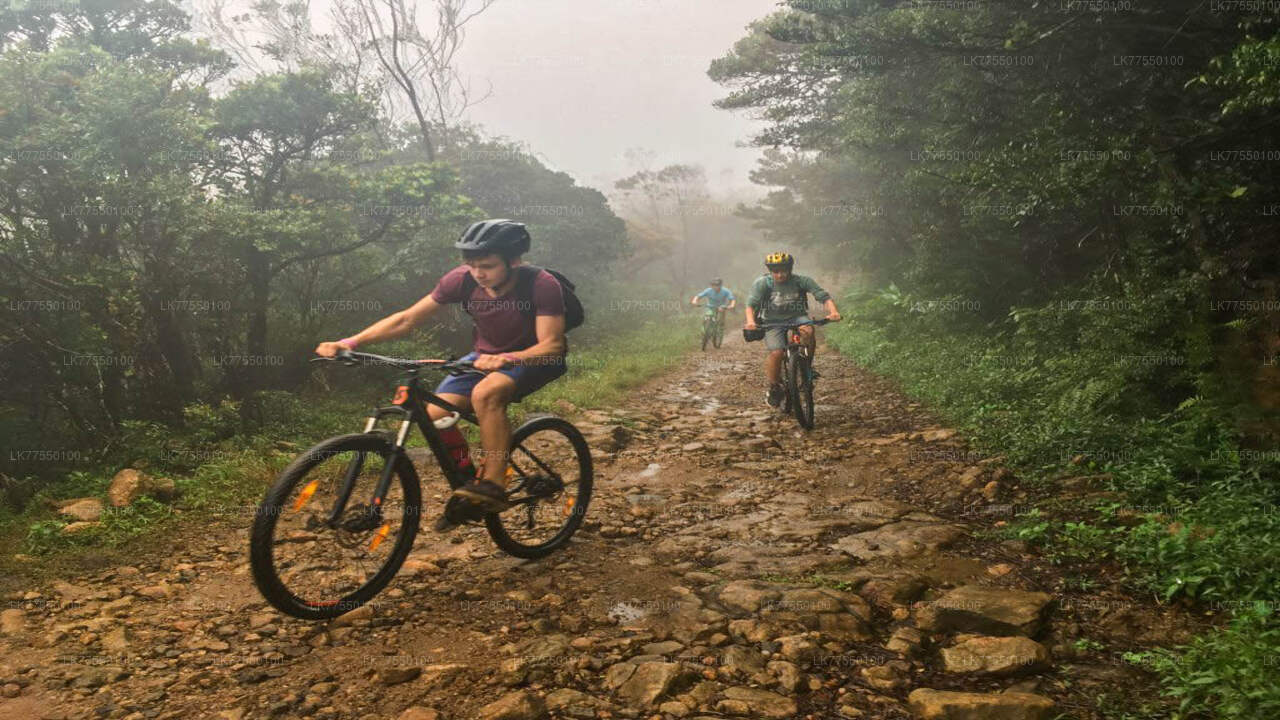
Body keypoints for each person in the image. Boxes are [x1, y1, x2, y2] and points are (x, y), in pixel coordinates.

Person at [314, 219, 568, 526]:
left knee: (486, 394)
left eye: (487, 266)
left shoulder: (541, 284)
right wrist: (350, 342)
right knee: (434, 415)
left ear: (513, 261)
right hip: (482, 358)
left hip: (535, 358)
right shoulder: (462, 280)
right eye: (472, 265)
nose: (478, 273)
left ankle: (494, 484)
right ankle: (467, 481)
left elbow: (552, 345)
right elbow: (406, 319)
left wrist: (508, 358)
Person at [743, 252, 841, 407]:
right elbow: (751, 305)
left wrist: (833, 312)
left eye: (784, 270)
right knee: (777, 353)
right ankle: (774, 387)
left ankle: (807, 367)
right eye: (775, 271)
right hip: (772, 321)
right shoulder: (763, 283)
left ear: (790, 269)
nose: (780, 275)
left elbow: (823, 296)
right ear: (770, 271)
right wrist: (750, 322)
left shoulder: (801, 281)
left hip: (797, 317)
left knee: (808, 331)